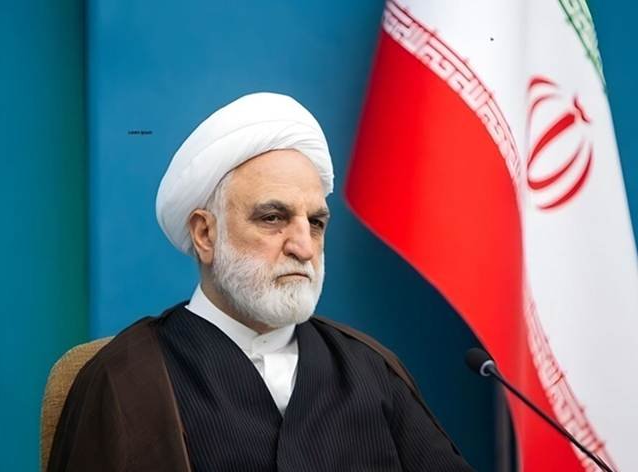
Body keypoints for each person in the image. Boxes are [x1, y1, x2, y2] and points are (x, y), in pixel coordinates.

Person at [47, 93, 474, 471]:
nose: (304, 247)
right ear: (205, 234)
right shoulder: (127, 377)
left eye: (316, 223)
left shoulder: (370, 368)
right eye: (273, 218)